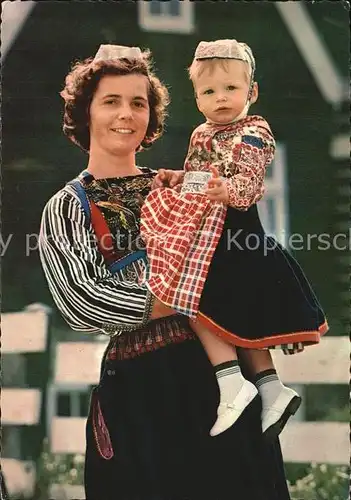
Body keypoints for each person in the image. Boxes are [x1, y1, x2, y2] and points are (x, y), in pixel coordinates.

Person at [39, 43, 292, 500]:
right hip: (143, 385)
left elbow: (240, 249)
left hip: (223, 377)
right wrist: (193, 291)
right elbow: (84, 300)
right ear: (85, 112)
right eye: (111, 101)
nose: (127, 114)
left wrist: (263, 302)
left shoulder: (180, 183)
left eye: (139, 102)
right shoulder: (69, 205)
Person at [140, 39, 328, 438]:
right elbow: (200, 178)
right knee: (241, 318)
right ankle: (271, 389)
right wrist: (178, 178)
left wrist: (230, 190)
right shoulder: (200, 134)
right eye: (209, 91)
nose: (221, 98)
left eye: (231, 89)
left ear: (251, 92)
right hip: (208, 232)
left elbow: (249, 180)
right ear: (197, 99)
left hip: (236, 234)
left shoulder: (253, 131)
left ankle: (231, 383)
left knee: (192, 298)